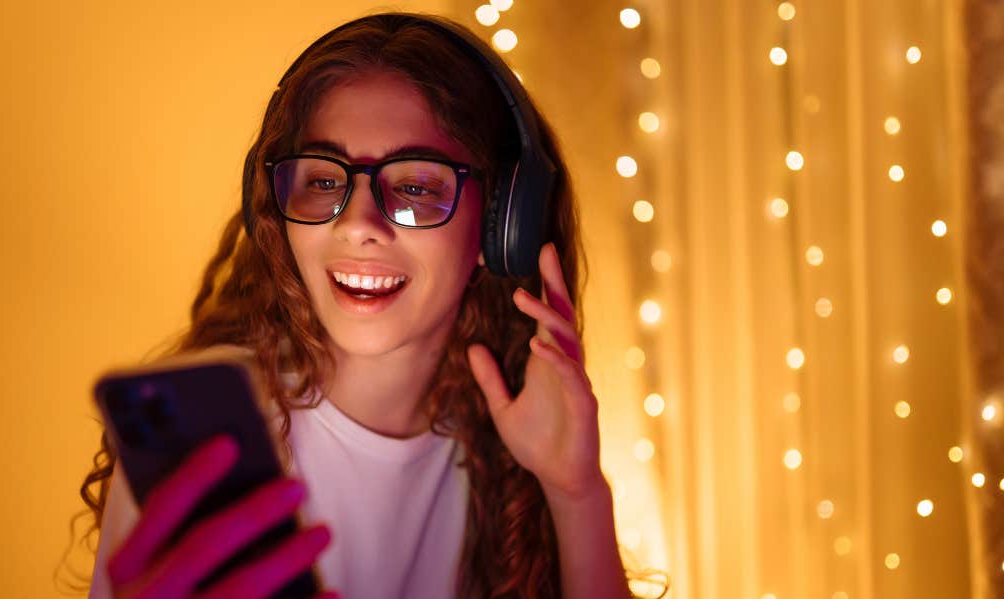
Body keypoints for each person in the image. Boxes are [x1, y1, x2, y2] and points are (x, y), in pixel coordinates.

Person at [75, 12, 632, 599]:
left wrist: (577, 495)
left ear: (500, 226)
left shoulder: (512, 446)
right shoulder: (204, 452)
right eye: (322, 181)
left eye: (416, 187)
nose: (358, 223)